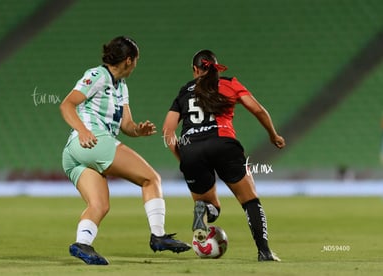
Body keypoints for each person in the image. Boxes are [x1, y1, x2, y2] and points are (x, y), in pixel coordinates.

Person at [60, 36, 191, 265]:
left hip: (77, 154)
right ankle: (158, 235)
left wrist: (137, 130)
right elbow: (67, 104)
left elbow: (127, 126)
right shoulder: (98, 75)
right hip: (91, 141)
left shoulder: (121, 87)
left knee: (99, 205)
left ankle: (82, 244)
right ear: (129, 60)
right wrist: (82, 130)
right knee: (151, 178)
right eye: (136, 61)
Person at [162, 50, 285, 262]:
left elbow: (167, 132)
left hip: (191, 149)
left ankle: (205, 208)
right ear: (216, 68)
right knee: (249, 200)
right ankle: (264, 251)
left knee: (213, 208)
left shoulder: (184, 91)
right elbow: (258, 110)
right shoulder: (228, 83)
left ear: (195, 70)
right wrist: (273, 135)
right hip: (224, 144)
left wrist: (183, 159)